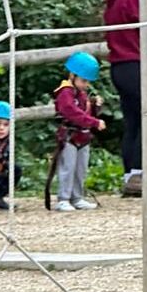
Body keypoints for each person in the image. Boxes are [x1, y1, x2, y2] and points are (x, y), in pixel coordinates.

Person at [48, 51, 106, 212]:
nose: (86, 85)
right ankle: (63, 198)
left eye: (88, 82)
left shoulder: (81, 93)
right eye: (83, 80)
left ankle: (77, 197)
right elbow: (72, 113)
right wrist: (94, 122)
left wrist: (94, 106)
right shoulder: (65, 93)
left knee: (80, 168)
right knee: (68, 167)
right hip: (69, 135)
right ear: (72, 75)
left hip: (84, 135)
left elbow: (84, 113)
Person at [104, 0, 142, 197]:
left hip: (121, 66)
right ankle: (139, 173)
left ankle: (130, 173)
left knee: (133, 121)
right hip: (134, 63)